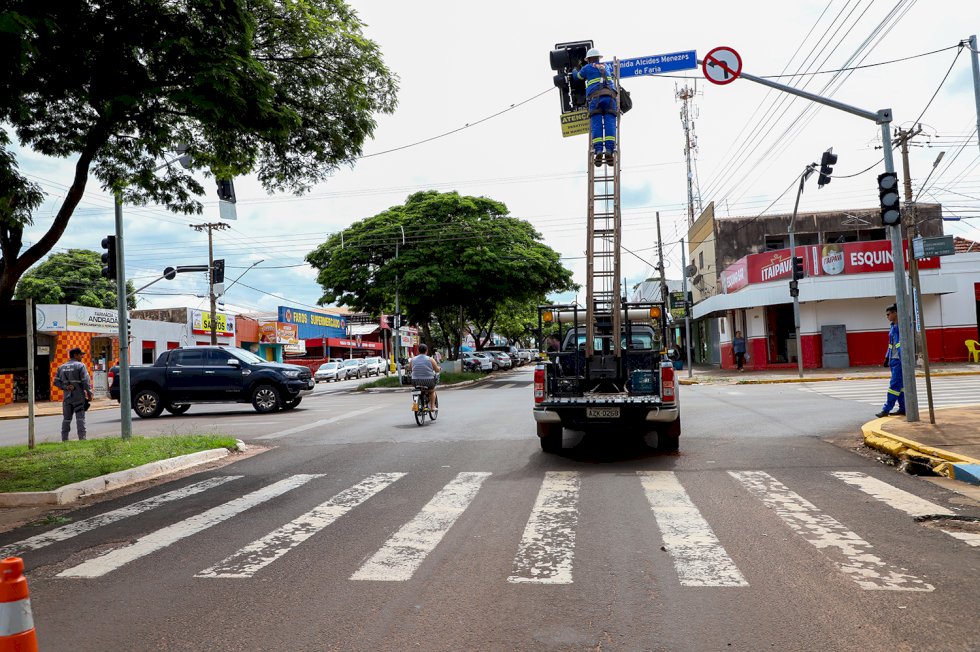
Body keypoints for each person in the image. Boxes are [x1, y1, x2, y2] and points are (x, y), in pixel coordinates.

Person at [573, 48, 619, 168]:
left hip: (595, 99)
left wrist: (574, 69)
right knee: (609, 123)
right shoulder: (607, 66)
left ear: (588, 59)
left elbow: (577, 77)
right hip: (610, 97)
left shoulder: (587, 68)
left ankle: (598, 151)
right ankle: (609, 151)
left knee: (596, 124)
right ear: (599, 57)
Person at [54, 347, 93, 441]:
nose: (82, 356)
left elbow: (56, 382)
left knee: (66, 419)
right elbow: (86, 382)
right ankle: (82, 439)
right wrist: (89, 394)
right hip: (79, 397)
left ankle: (64, 439)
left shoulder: (61, 367)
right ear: (75, 355)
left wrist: (66, 387)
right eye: (80, 354)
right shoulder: (80, 366)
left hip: (67, 398)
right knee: (80, 419)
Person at [876, 304, 906, 418]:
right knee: (900, 386)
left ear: (895, 313)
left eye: (888, 314)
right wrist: (887, 357)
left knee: (894, 386)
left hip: (900, 360)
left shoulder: (903, 325)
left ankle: (886, 409)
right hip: (893, 360)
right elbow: (891, 344)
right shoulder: (893, 326)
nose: (887, 317)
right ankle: (904, 408)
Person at [407, 343, 441, 411]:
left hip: (415, 381)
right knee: (432, 391)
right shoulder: (430, 359)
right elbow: (437, 369)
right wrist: (439, 368)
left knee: (418, 389)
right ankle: (432, 406)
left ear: (418, 351)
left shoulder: (413, 359)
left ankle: (417, 403)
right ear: (427, 350)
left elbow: (409, 368)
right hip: (428, 381)